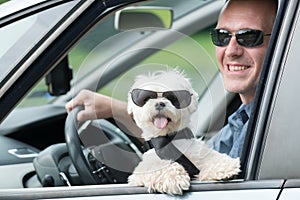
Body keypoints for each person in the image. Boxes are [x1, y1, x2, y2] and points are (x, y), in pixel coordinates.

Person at [66, 0, 278, 158]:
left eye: (248, 37)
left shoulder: (276, 124)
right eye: (222, 36)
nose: (231, 50)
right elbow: (197, 159)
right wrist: (120, 110)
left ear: (280, 41)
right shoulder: (248, 116)